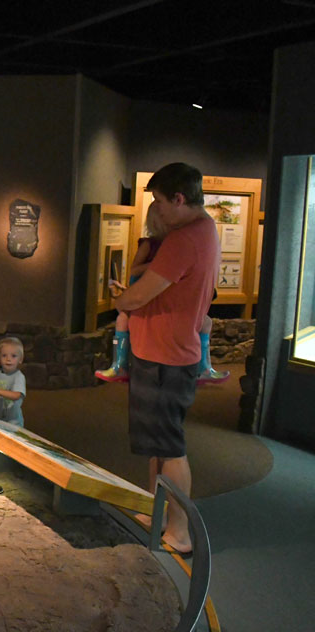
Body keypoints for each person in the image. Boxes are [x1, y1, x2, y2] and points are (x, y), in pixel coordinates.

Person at [111, 162, 220, 556]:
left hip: (165, 356)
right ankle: (156, 513)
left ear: (178, 198)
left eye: (159, 201)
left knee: (170, 446)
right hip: (166, 351)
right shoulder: (204, 231)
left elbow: (141, 295)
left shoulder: (184, 239)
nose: (157, 210)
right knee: (159, 443)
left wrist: (119, 300)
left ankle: (179, 531)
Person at [97, 201, 230, 385]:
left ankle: (204, 367)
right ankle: (119, 364)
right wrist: (160, 265)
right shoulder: (150, 244)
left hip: (164, 296)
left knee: (205, 322)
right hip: (146, 293)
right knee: (123, 320)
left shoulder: (180, 241)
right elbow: (135, 270)